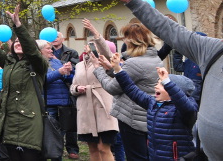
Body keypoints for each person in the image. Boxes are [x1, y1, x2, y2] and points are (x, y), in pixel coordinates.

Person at [110, 0, 223, 160]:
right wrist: (133, 1)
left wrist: (168, 83)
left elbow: (186, 106)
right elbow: (171, 30)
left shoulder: (181, 107)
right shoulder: (213, 50)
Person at [0, 4, 48, 161]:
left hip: (28, 121)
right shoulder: (8, 62)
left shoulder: (38, 64)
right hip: (9, 120)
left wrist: (18, 25)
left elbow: (31, 49)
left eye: (21, 41)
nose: (18, 43)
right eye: (16, 41)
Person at [92, 19, 162, 161]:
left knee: (136, 156)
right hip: (148, 115)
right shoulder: (155, 58)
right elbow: (128, 80)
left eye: (125, 38)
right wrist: (112, 69)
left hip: (133, 118)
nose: (124, 41)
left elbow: (113, 88)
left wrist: (98, 70)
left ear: (132, 40)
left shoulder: (134, 63)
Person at [106, 54, 197, 160]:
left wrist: (167, 82)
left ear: (176, 89)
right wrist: (118, 69)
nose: (156, 86)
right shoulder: (153, 104)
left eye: (161, 84)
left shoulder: (184, 109)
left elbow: (186, 107)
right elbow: (131, 89)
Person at [70, 22, 119, 161]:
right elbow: (72, 86)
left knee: (104, 148)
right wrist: (76, 89)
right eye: (89, 44)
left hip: (103, 108)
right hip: (85, 110)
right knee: (92, 148)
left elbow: (106, 51)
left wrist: (95, 32)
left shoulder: (103, 61)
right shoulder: (79, 65)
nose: (90, 46)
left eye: (94, 44)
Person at [37, 39, 74, 161]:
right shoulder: (37, 63)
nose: (51, 50)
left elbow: (69, 80)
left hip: (63, 106)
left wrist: (69, 73)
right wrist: (59, 72)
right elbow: (41, 81)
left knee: (59, 138)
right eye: (47, 48)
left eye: (51, 48)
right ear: (40, 50)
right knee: (49, 138)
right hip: (48, 106)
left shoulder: (56, 62)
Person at [51, 32, 80, 159]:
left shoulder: (71, 52)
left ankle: (72, 149)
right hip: (53, 92)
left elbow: (75, 67)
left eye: (57, 36)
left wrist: (60, 62)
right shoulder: (46, 51)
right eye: (53, 37)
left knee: (70, 121)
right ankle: (57, 148)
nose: (55, 39)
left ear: (63, 39)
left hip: (69, 90)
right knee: (55, 125)